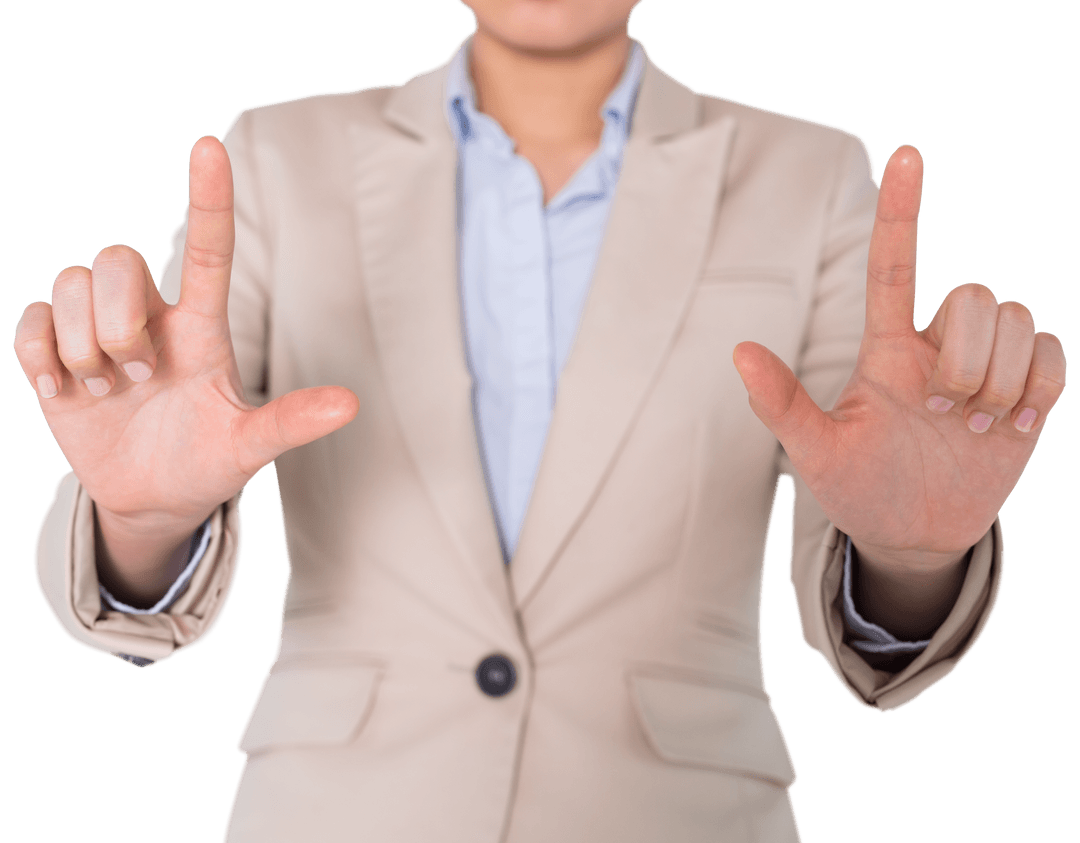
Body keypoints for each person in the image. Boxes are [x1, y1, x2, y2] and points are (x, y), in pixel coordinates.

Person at [15, 1, 1067, 840]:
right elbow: (180, 447)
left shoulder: (815, 174)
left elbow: (860, 505)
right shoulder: (279, 155)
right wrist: (141, 521)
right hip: (340, 818)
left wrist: (910, 553)